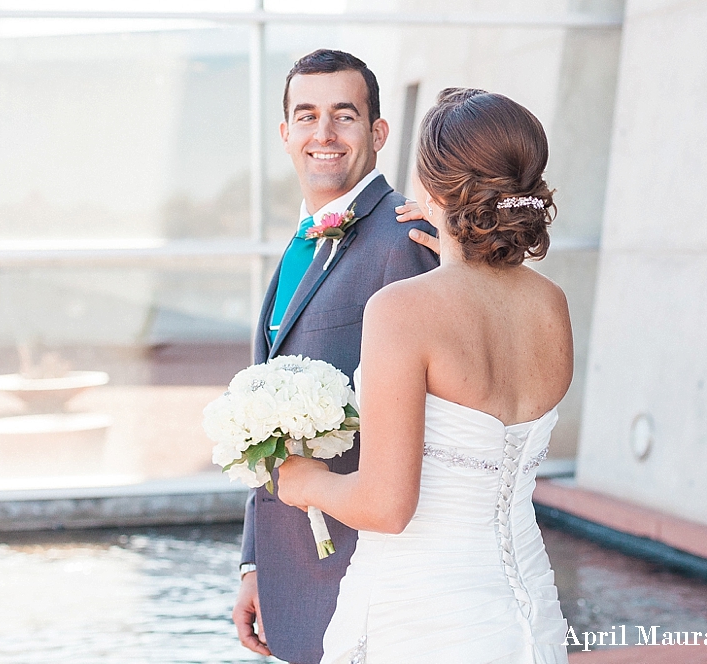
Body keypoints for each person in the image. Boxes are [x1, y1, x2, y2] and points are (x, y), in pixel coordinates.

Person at [277, 87, 573, 663]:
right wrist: (459, 259)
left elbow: (386, 506)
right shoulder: (550, 305)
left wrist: (302, 480)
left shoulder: (403, 309)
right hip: (527, 609)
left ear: (433, 187)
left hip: (422, 615)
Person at [233, 50, 439, 663]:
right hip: (293, 573)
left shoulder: (405, 241)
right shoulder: (301, 243)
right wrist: (255, 562)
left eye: (343, 116)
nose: (322, 134)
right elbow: (266, 421)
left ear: (377, 132)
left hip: (368, 580)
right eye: (307, 116)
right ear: (285, 133)